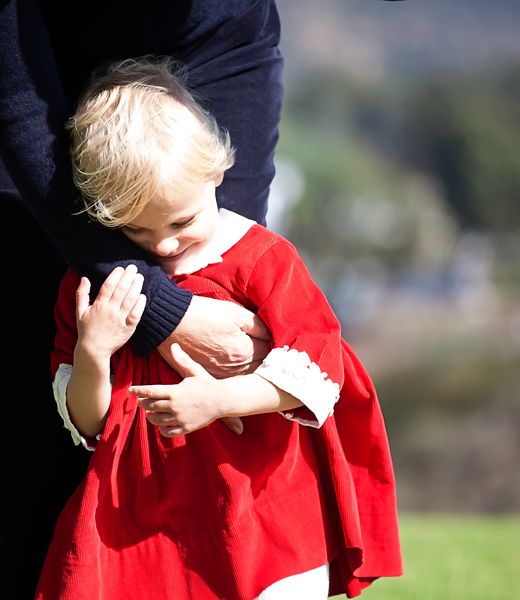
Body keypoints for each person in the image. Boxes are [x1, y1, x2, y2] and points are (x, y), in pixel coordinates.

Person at [0, 1, 283, 596]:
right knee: (35, 403)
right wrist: (164, 310)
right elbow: (16, 98)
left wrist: (192, 315)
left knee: (210, 388)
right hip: (1, 75)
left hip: (206, 52)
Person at [36, 58, 402, 599]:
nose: (164, 245)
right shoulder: (99, 289)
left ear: (216, 173)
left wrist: (219, 399)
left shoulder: (262, 260)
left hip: (260, 499)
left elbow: (318, 370)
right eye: (135, 230)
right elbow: (89, 425)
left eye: (181, 221)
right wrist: (94, 349)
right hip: (143, 516)